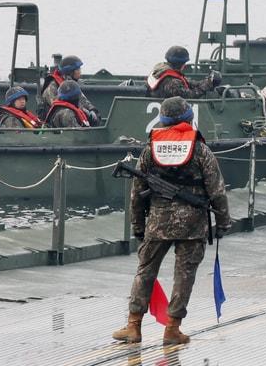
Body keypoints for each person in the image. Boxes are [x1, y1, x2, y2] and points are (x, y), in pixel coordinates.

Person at [111, 96, 231, 346]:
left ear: (163, 121)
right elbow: (217, 190)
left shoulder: (150, 150)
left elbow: (137, 193)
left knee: (145, 272)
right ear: (188, 118)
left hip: (158, 222)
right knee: (184, 275)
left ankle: (133, 326)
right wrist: (223, 222)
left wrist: (137, 225)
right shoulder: (200, 150)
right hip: (193, 224)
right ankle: (172, 329)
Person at [147, 46, 220, 99]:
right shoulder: (172, 82)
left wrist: (207, 82)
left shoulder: (160, 71)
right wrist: (207, 86)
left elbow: (190, 83)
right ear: (183, 65)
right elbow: (190, 96)